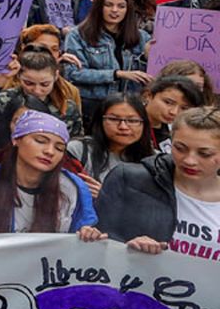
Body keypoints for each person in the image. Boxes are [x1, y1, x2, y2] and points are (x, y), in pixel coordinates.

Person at [88, 106, 220, 257]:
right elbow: (97, 244)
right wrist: (130, 248)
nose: (189, 160)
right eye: (180, 148)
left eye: (205, 154)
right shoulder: (130, 180)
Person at [0, 110, 96, 237]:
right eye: (40, 141)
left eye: (59, 148)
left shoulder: (73, 186)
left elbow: (81, 235)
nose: (50, 151)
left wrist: (88, 234)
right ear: (16, 139)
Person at [64, 0, 149, 121]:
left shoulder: (142, 37)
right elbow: (74, 74)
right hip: (93, 104)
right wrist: (116, 74)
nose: (115, 10)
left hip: (130, 105)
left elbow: (148, 77)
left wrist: (146, 57)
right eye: (108, 5)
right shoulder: (78, 35)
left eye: (121, 6)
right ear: (98, 7)